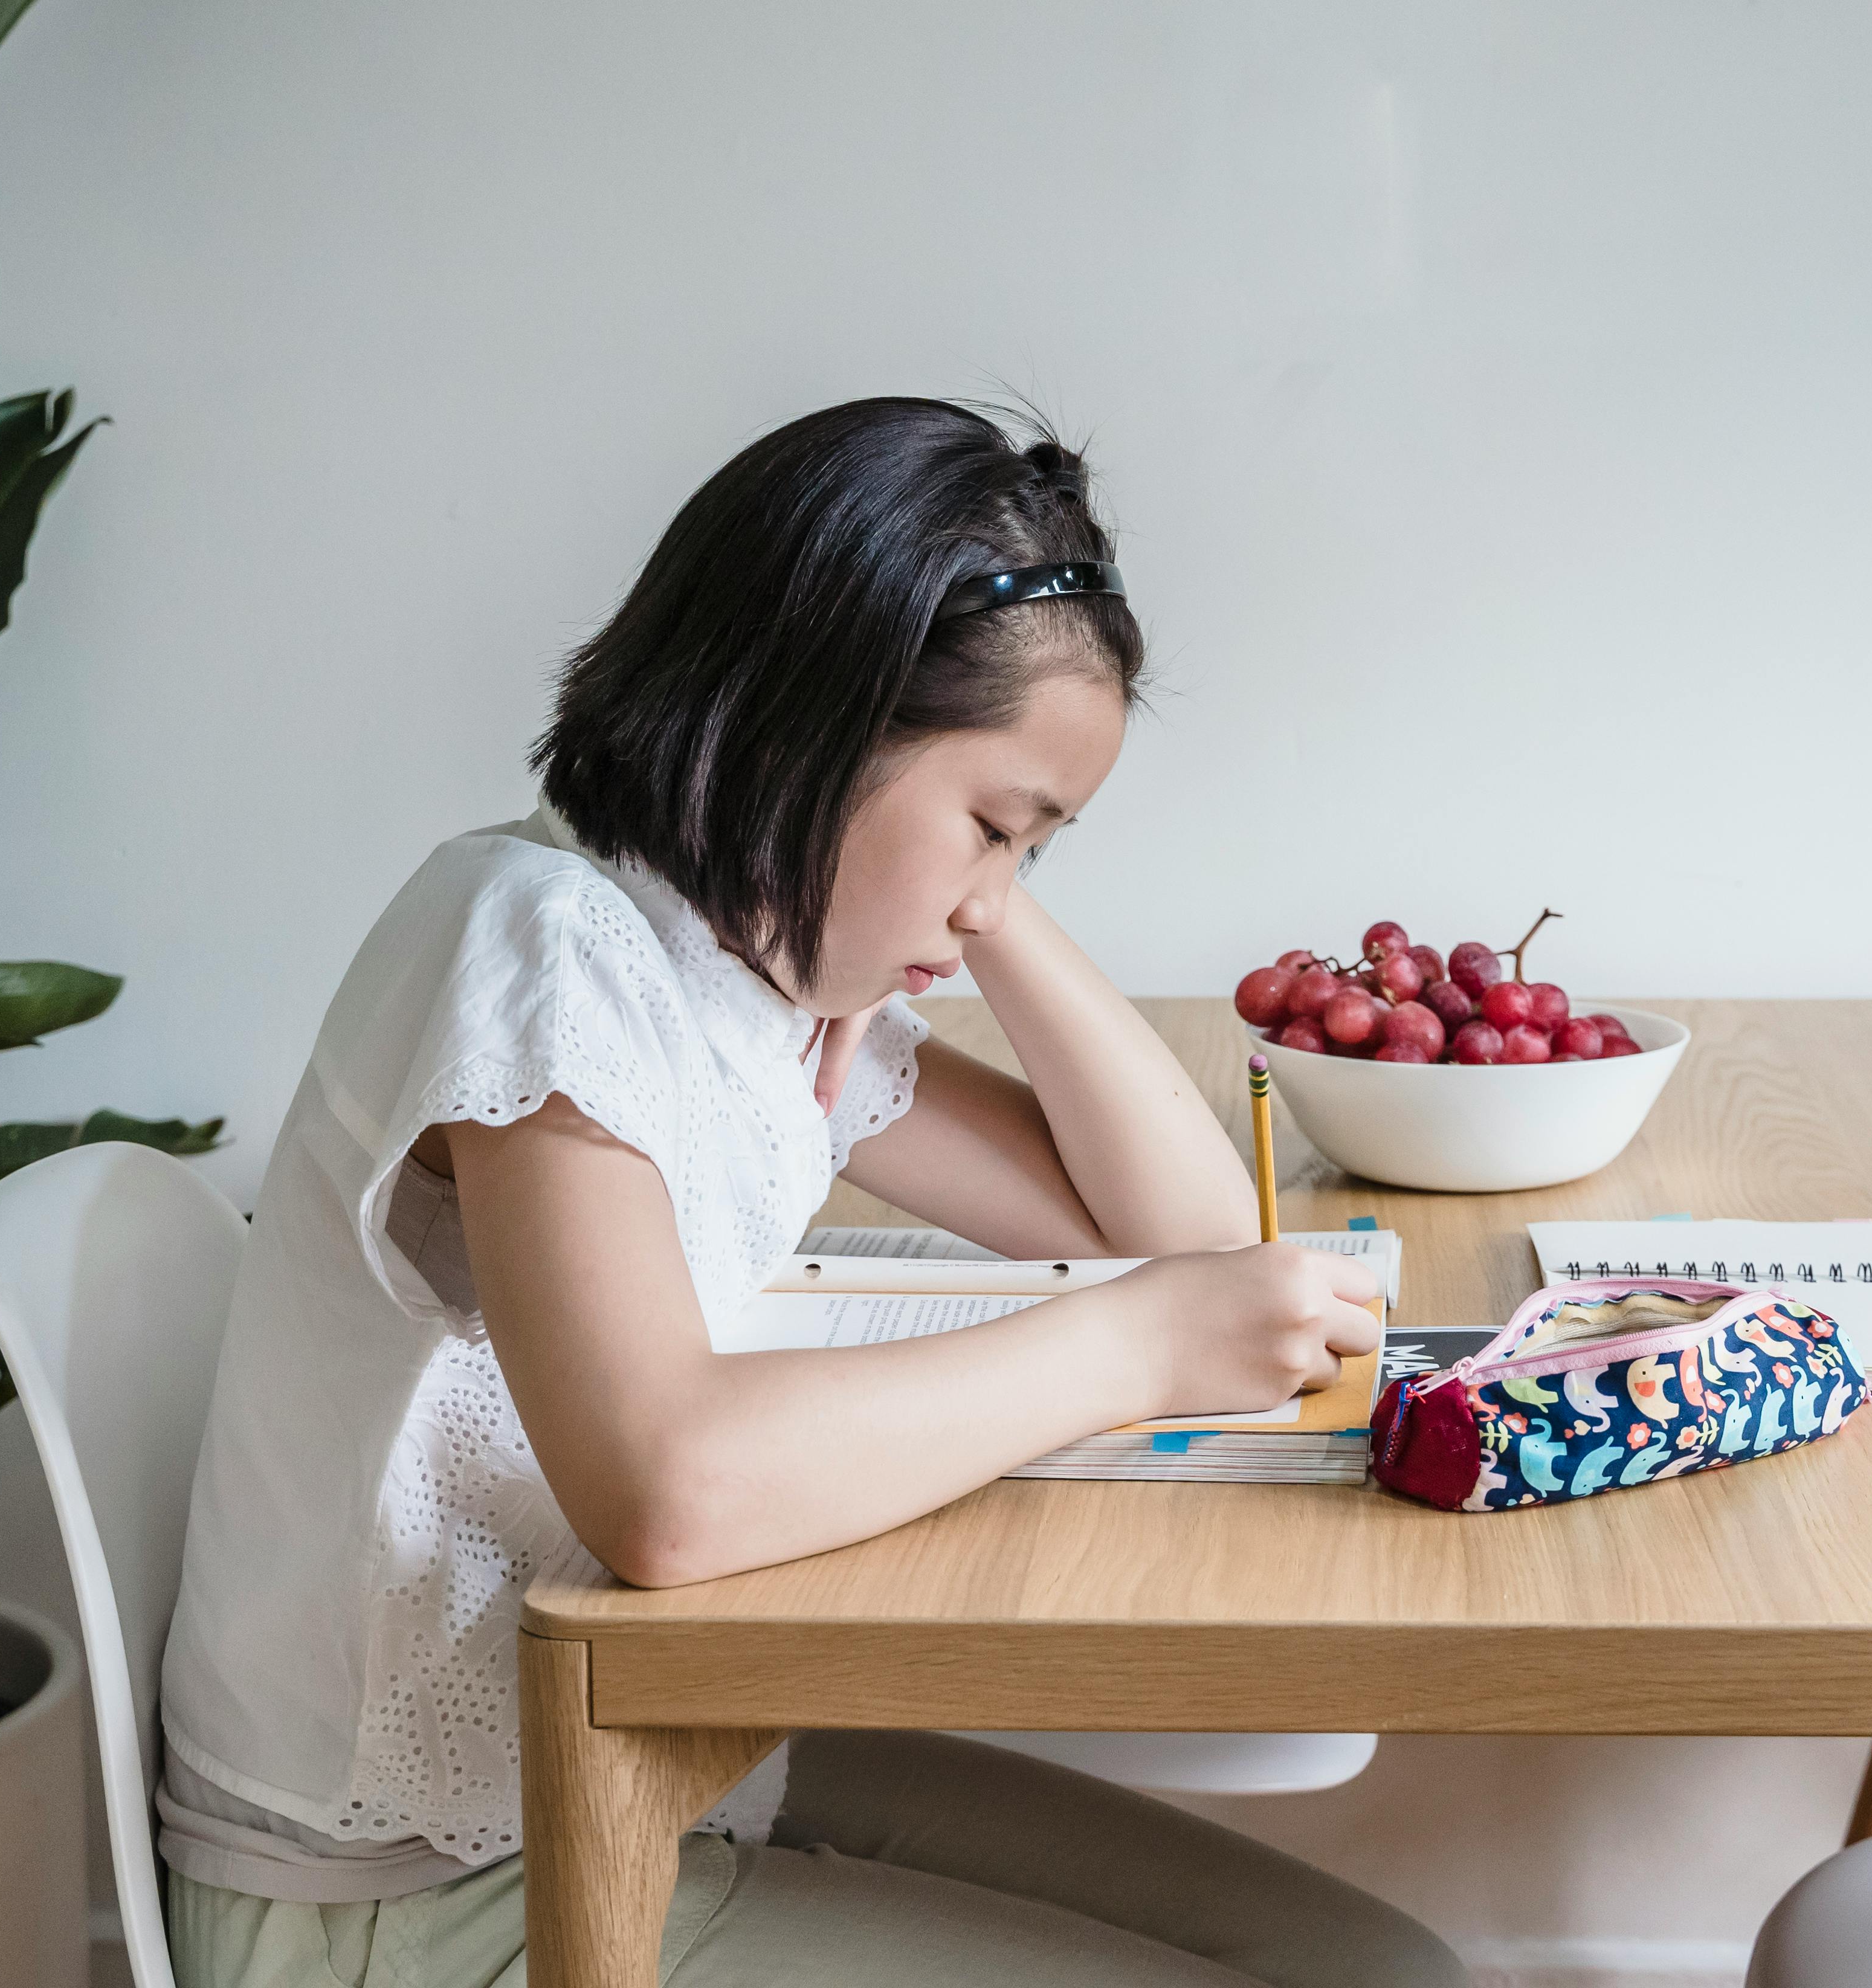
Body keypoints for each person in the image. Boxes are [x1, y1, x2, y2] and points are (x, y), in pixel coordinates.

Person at [160, 399, 1467, 1986]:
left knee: (1392, 1970)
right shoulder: (538, 948)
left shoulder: (750, 981)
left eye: (1040, 850)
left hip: (651, 1758)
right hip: (396, 1899)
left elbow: (1188, 1233)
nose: (1001, 892)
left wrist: (977, 895)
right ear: (806, 723)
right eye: (992, 826)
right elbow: (668, 1491)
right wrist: (1136, 1349)